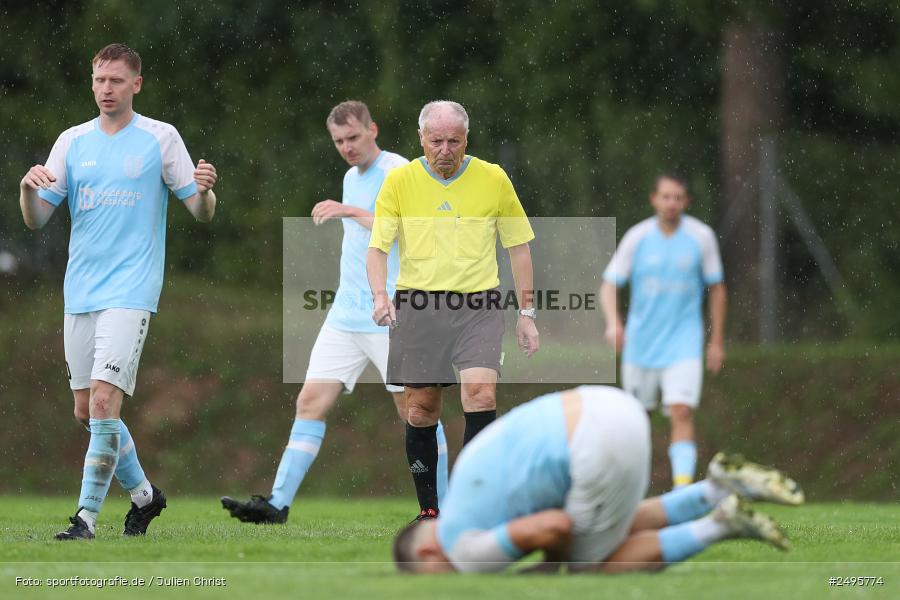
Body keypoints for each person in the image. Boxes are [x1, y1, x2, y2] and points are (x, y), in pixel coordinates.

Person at [19, 43, 218, 540]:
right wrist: (26, 190)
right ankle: (146, 498)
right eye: (99, 80)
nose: (105, 89)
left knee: (107, 403)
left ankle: (85, 519)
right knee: (87, 411)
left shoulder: (159, 138)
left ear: (136, 84)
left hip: (132, 288)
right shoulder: (72, 141)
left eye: (115, 81)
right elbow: (37, 218)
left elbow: (200, 210)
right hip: (80, 289)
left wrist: (207, 189)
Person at [221, 101, 449, 524]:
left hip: (392, 313)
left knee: (416, 412)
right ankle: (277, 504)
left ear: (372, 130)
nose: (346, 147)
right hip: (346, 314)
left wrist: (348, 210)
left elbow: (404, 226)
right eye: (339, 141)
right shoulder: (350, 176)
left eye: (353, 138)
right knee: (310, 401)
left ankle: (444, 509)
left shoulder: (400, 170)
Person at [392, 386, 804, 573]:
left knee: (588, 564)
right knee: (601, 524)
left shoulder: (463, 551)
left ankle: (722, 523)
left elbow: (556, 527)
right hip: (606, 403)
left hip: (591, 443)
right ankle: (716, 489)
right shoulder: (465, 491)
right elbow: (562, 517)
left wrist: (545, 573)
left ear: (428, 556)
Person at [367, 100, 538, 521]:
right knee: (421, 408)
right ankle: (430, 511)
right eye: (436, 140)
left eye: (454, 141)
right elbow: (377, 248)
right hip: (419, 306)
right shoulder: (400, 181)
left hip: (478, 304)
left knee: (480, 394)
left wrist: (527, 313)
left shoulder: (493, 179)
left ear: (467, 140)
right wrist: (379, 296)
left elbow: (518, 247)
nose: (445, 150)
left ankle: (473, 502)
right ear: (420, 138)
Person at [600, 174, 727, 488]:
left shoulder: (701, 237)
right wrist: (614, 323)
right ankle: (632, 489)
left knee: (681, 411)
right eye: (666, 197)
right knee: (637, 420)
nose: (672, 203)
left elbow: (717, 288)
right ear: (654, 199)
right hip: (641, 344)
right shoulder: (637, 237)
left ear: (686, 202)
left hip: (684, 342)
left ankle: (681, 487)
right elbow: (608, 285)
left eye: (678, 197)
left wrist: (716, 342)